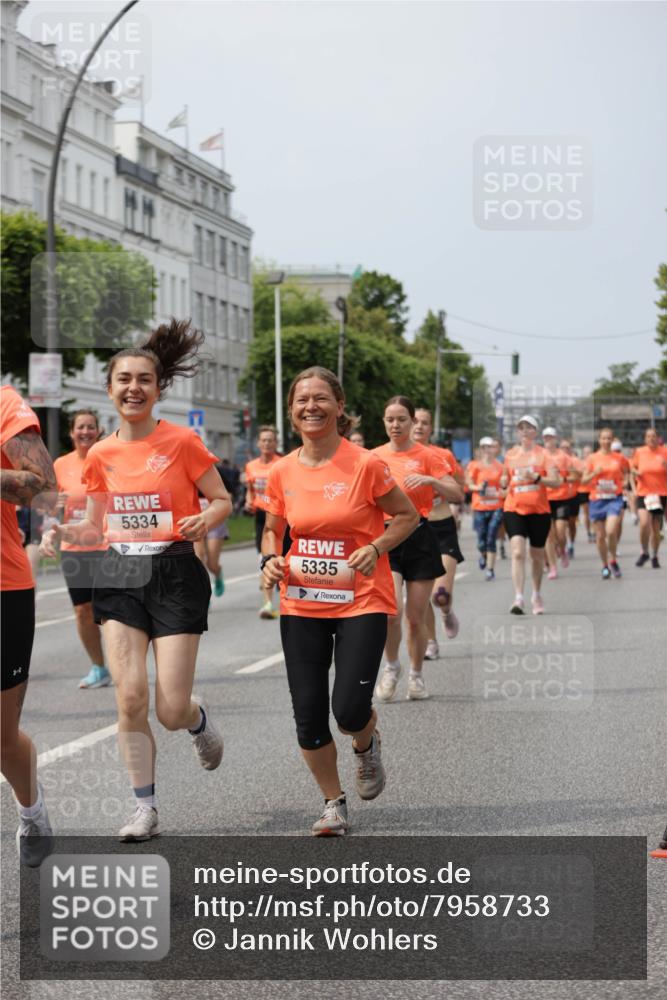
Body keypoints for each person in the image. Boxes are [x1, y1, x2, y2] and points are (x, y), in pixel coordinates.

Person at [41, 320, 232, 842]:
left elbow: (222, 500)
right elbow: (98, 523)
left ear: (157, 388)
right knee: (129, 699)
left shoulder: (183, 441)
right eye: (124, 379)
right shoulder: (100, 454)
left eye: (144, 379)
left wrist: (205, 520)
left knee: (169, 708)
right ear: (109, 389)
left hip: (174, 569)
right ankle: (143, 809)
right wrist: (66, 530)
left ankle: (196, 722)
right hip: (120, 571)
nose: (133, 388)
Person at [261, 367, 417, 836]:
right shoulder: (280, 470)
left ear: (339, 405)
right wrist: (270, 557)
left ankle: (366, 744)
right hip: (302, 601)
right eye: (301, 399)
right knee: (308, 712)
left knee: (348, 708)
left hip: (361, 599)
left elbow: (406, 516)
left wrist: (376, 547)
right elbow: (273, 528)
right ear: (291, 411)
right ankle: (333, 803)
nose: (311, 406)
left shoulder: (365, 464)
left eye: (320, 398)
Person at [1, 386, 57, 866]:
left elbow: (42, 482)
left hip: (4, 589)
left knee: (2, 737)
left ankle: (32, 810)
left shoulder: (4, 404)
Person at [374, 398, 462, 698]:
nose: (395, 425)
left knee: (414, 617)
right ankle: (391, 667)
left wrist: (431, 480)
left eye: (401, 419)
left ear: (412, 422)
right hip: (387, 537)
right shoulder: (373, 457)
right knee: (390, 613)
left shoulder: (428, 456)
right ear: (383, 422)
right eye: (390, 419)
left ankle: (416, 675)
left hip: (421, 536)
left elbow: (457, 493)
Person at [48, 410, 112, 688]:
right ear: (71, 433)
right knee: (83, 611)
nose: (85, 432)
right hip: (74, 548)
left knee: (111, 610)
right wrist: (54, 506)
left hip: (107, 545)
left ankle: (125, 664)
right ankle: (99, 667)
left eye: (90, 427)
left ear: (98, 431)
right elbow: (49, 508)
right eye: (80, 427)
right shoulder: (60, 465)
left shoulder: (109, 460)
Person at [411, 408, 465, 657]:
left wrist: (436, 484)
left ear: (431, 428)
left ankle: (446, 611)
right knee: (421, 594)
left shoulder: (442, 455)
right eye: (415, 421)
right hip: (415, 528)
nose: (419, 426)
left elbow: (458, 488)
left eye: (424, 423)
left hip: (442, 525)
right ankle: (431, 640)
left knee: (439, 594)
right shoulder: (396, 456)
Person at [500, 415, 561, 615]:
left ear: (535, 432)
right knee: (517, 552)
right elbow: (505, 478)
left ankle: (536, 594)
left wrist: (536, 477)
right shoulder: (510, 455)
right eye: (521, 428)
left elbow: (556, 481)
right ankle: (518, 597)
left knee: (536, 556)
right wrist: (502, 482)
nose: (524, 431)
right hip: (513, 508)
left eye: (528, 428)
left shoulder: (544, 455)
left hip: (539, 511)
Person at [245, 426, 282, 618]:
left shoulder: (281, 464)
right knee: (264, 559)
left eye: (270, 440)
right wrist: (248, 502)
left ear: (276, 444)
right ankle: (267, 604)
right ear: (258, 443)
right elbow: (251, 489)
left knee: (282, 559)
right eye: (263, 440)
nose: (267, 443)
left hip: (280, 516)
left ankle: (289, 599)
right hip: (261, 517)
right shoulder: (251, 466)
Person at [581, 428, 625, 578]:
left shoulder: (619, 458)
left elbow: (628, 471)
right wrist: (595, 473)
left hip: (614, 498)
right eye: (603, 438)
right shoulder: (592, 458)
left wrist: (625, 482)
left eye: (609, 439)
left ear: (612, 441)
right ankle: (605, 565)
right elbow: (584, 480)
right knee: (600, 536)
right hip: (597, 500)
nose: (606, 441)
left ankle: (613, 559)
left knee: (611, 531)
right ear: (599, 440)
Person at [467, 436, 506, 581]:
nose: (487, 450)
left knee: (491, 537)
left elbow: (505, 485)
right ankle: (483, 555)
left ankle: (490, 569)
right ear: (480, 449)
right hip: (480, 506)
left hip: (496, 506)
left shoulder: (500, 466)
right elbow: (469, 484)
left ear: (494, 449)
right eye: (484, 447)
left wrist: (502, 487)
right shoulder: (474, 465)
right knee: (481, 540)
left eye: (490, 447)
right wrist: (479, 488)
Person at [542, 427, 577, 579]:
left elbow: (574, 476)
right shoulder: (539, 456)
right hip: (544, 500)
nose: (548, 440)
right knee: (549, 535)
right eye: (546, 438)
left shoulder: (564, 457)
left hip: (562, 498)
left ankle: (562, 550)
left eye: (551, 437)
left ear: (555, 438)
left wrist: (561, 479)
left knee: (561, 532)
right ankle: (552, 567)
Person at [631, 426, 667, 568]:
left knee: (655, 528)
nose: (651, 439)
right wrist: (636, 472)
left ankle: (655, 555)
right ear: (645, 439)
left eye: (653, 436)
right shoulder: (640, 452)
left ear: (658, 438)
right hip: (644, 493)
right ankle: (644, 551)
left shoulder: (664, 451)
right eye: (648, 436)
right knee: (644, 523)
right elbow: (632, 468)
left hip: (660, 494)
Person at [194, 488, 228, 597]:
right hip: (195, 521)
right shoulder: (185, 474)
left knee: (211, 564)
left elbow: (227, 498)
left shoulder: (214, 473)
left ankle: (217, 573)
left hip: (215, 522)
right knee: (199, 560)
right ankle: (204, 595)